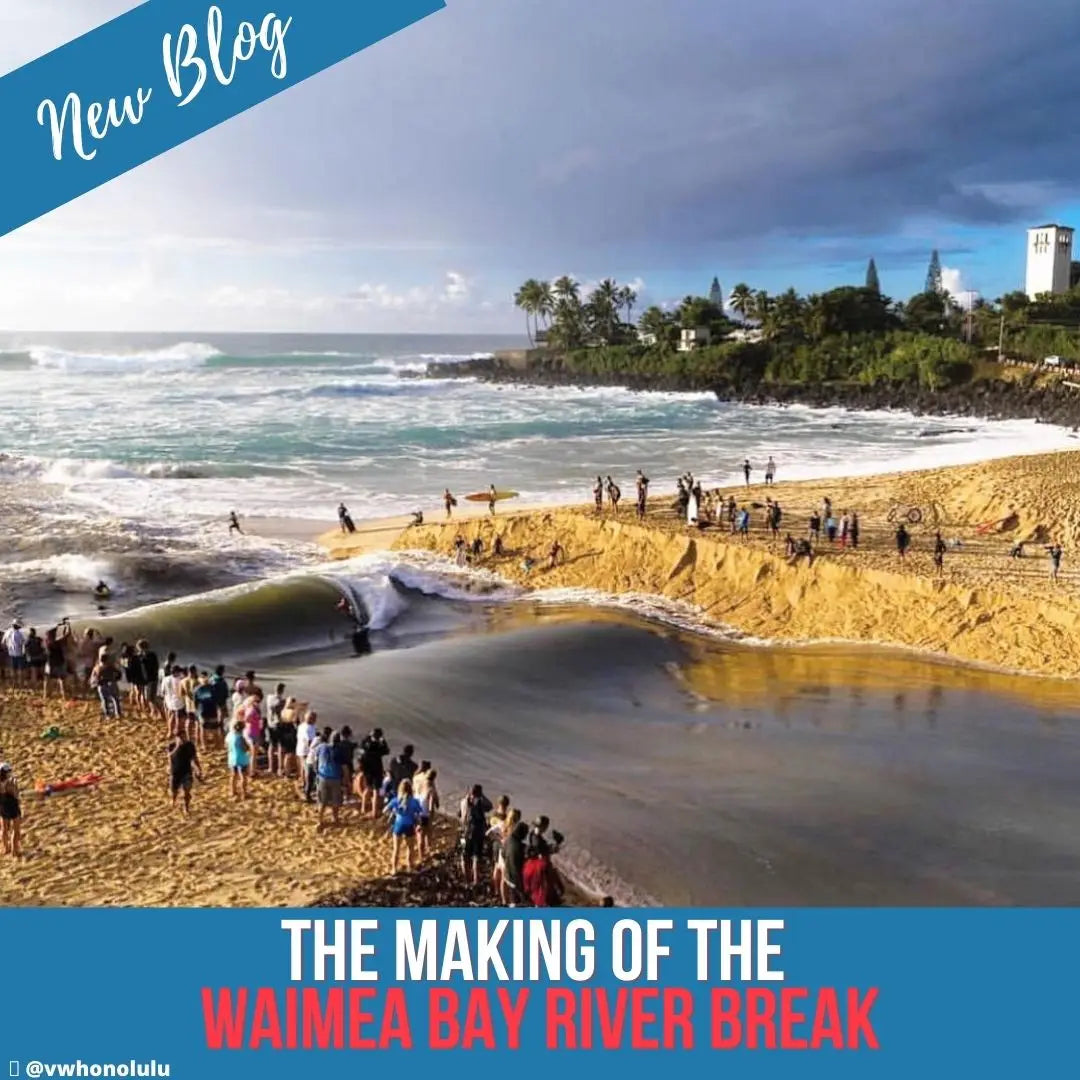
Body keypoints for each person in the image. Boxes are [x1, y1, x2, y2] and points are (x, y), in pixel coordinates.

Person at [523, 816, 565, 907]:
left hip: (531, 866)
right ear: (543, 826)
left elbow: (541, 850)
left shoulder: (532, 834)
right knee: (543, 891)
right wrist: (557, 845)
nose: (546, 828)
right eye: (546, 826)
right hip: (539, 869)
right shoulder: (538, 841)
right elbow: (543, 854)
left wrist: (552, 846)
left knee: (536, 890)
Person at [385, 779, 424, 874]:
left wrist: (394, 812)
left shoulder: (396, 800)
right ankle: (410, 867)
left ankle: (394, 869)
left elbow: (385, 810)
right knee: (410, 848)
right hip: (409, 825)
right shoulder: (414, 801)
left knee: (396, 849)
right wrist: (418, 824)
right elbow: (419, 813)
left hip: (398, 825)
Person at [460, 783, 493, 886]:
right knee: (476, 857)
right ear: (479, 793)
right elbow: (490, 806)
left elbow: (460, 815)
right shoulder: (479, 802)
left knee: (464, 855)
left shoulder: (464, 801)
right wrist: (482, 796)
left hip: (465, 832)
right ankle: (475, 880)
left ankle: (466, 878)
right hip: (477, 833)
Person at [315, 732, 345, 830]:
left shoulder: (321, 747)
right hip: (335, 778)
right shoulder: (340, 750)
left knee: (322, 801)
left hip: (322, 777)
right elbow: (344, 767)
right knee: (335, 800)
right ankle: (335, 819)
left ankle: (320, 820)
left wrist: (317, 773)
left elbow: (316, 761)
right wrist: (346, 780)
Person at [359, 727, 390, 818]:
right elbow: (387, 751)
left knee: (368, 788)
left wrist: (368, 736)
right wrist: (383, 741)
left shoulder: (366, 744)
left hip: (367, 769)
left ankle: (363, 808)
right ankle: (374, 812)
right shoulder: (378, 746)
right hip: (377, 769)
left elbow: (362, 745)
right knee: (376, 790)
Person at [168, 735, 202, 815]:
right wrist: (177, 746)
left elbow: (194, 758)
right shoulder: (171, 745)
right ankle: (173, 800)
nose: (182, 739)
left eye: (183, 736)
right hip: (175, 771)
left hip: (186, 771)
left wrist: (198, 769)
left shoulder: (190, 746)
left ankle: (186, 808)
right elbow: (170, 756)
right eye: (180, 737)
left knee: (186, 791)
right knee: (174, 790)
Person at [225, 719, 252, 800]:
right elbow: (245, 749)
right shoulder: (240, 738)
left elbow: (226, 745)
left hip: (232, 759)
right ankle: (244, 793)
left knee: (233, 775)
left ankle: (233, 791)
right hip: (242, 759)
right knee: (243, 776)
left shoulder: (229, 735)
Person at [0, 764, 22, 858]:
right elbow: (16, 794)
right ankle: (14, 850)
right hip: (11, 805)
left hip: (1, 805)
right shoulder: (11, 782)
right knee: (16, 829)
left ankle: (6, 848)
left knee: (4, 829)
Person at [43, 627, 67, 702]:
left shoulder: (46, 642)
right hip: (59, 663)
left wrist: (61, 627)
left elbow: (63, 636)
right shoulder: (57, 642)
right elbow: (67, 635)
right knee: (61, 680)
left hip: (50, 663)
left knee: (47, 680)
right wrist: (67, 626)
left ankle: (46, 695)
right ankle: (64, 695)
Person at [2, 621, 27, 688]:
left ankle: (14, 684)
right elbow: (24, 643)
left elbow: (3, 643)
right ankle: (20, 685)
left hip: (11, 654)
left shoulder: (7, 632)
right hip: (19, 654)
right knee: (20, 670)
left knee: (13, 670)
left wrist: (8, 648)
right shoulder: (20, 633)